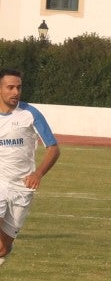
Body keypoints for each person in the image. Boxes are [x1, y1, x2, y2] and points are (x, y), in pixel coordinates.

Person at [0, 68, 60, 267]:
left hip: (22, 187)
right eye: (10, 87)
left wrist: (38, 173)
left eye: (18, 87)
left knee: (4, 248)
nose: (15, 92)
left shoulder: (30, 114)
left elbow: (53, 148)